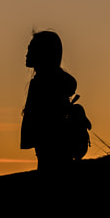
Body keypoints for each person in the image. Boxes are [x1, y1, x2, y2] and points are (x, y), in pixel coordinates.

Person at [21, 30, 78, 171]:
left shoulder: (43, 83)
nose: (26, 54)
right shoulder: (54, 81)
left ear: (43, 53)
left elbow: (41, 119)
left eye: (31, 50)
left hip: (51, 145)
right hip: (53, 145)